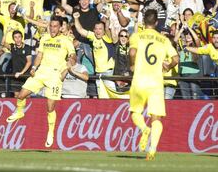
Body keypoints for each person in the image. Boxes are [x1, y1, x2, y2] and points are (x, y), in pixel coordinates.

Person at [6, 16, 75, 148]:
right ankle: (20, 111)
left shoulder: (66, 40)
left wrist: (70, 62)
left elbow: (73, 56)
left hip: (55, 75)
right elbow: (39, 55)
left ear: (60, 27)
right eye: (51, 26)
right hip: (41, 72)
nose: (53, 28)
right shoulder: (44, 38)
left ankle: (50, 132)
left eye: (55, 26)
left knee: (50, 107)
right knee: (21, 95)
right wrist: (33, 67)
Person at [129, 9, 179, 160]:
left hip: (139, 80)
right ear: (157, 22)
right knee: (156, 118)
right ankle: (152, 150)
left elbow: (132, 53)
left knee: (135, 112)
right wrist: (168, 66)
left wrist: (132, 66)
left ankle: (144, 129)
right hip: (156, 82)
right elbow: (176, 58)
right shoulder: (164, 40)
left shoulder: (136, 36)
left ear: (144, 21)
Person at [73, 12, 117, 96]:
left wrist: (107, 19)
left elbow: (107, 28)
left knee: (113, 97)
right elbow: (80, 30)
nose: (98, 31)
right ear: (93, 30)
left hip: (108, 73)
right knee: (101, 97)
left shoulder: (107, 38)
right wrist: (76, 18)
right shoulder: (93, 37)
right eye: (96, 29)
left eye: (100, 29)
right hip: (98, 74)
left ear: (103, 31)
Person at [0, 30, 32, 97]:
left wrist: (21, 72)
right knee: (16, 96)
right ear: (13, 39)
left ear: (22, 37)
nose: (17, 39)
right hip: (15, 76)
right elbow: (2, 43)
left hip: (25, 76)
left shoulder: (27, 47)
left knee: (26, 96)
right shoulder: (12, 47)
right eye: (15, 37)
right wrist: (6, 32)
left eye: (19, 37)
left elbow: (29, 62)